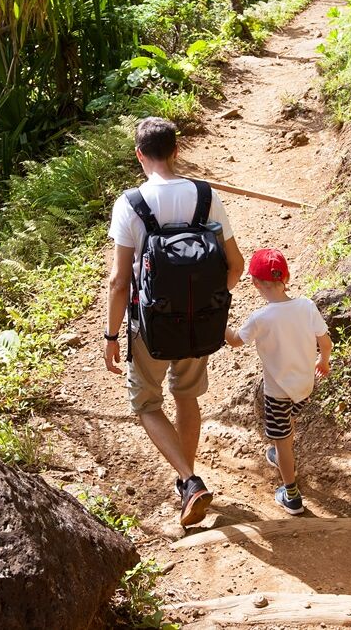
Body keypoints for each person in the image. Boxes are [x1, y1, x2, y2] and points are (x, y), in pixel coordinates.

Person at [104, 117, 245, 527]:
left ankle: (188, 480)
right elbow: (234, 265)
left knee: (147, 403)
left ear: (139, 155)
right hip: (198, 323)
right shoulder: (205, 196)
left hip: (149, 326)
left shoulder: (130, 204)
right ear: (176, 150)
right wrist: (209, 303)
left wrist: (112, 335)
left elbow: (118, 280)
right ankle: (189, 482)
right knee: (186, 397)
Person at [224, 248, 332, 515]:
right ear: (287, 277)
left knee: (283, 441)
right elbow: (325, 341)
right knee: (287, 425)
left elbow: (236, 341)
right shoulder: (306, 306)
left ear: (255, 283)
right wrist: (324, 361)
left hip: (277, 393)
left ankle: (291, 495)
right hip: (305, 386)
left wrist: (218, 322)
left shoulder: (261, 318)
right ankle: (278, 455)